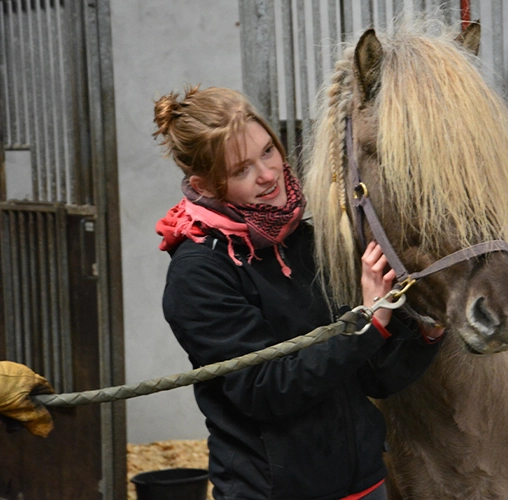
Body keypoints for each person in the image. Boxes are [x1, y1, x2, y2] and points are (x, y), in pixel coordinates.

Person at [153, 85, 444, 500]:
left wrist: (427, 326)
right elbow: (265, 389)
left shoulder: (302, 240)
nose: (268, 174)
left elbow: (371, 376)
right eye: (241, 170)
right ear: (206, 185)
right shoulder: (199, 274)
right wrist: (366, 322)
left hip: (364, 483)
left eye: (268, 151)